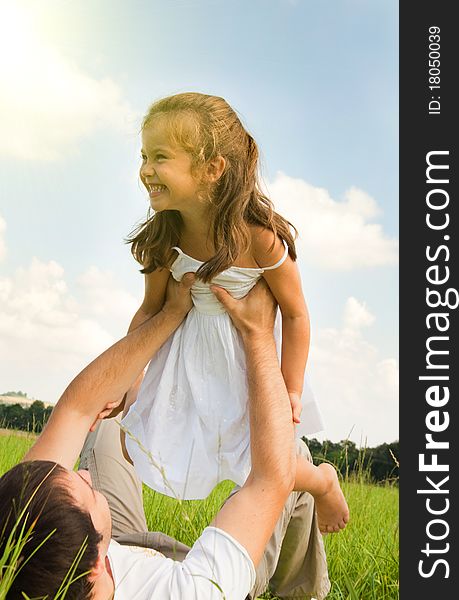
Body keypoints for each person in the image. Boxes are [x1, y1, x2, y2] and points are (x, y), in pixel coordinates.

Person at [0, 276, 330, 599]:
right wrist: (257, 333)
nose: (85, 474)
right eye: (88, 491)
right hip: (202, 573)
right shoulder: (196, 592)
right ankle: (304, 591)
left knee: (110, 425)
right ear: (94, 568)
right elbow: (269, 478)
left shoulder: (23, 545)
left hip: (122, 548)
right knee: (292, 455)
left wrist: (168, 314)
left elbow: (77, 410)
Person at [121, 91, 349, 533]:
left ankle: (321, 480)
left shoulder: (258, 237)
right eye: (144, 155)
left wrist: (292, 388)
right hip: (187, 362)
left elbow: (297, 313)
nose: (146, 168)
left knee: (265, 461)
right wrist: (129, 382)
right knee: (139, 442)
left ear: (212, 168)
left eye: (160, 157)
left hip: (248, 364)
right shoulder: (164, 236)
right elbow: (149, 312)